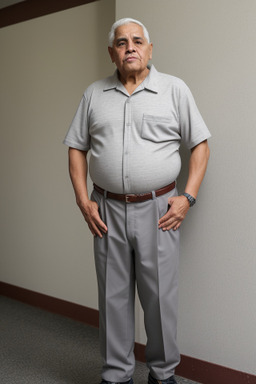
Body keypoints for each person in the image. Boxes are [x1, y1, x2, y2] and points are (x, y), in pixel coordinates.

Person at [64, 18, 210, 384]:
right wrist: (84, 201)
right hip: (107, 209)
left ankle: (162, 374)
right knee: (113, 299)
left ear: (149, 49)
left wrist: (187, 197)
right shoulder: (94, 94)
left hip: (159, 210)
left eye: (137, 41)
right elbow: (76, 148)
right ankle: (116, 375)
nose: (130, 46)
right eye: (122, 42)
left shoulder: (174, 90)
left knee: (160, 300)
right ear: (112, 52)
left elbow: (201, 145)